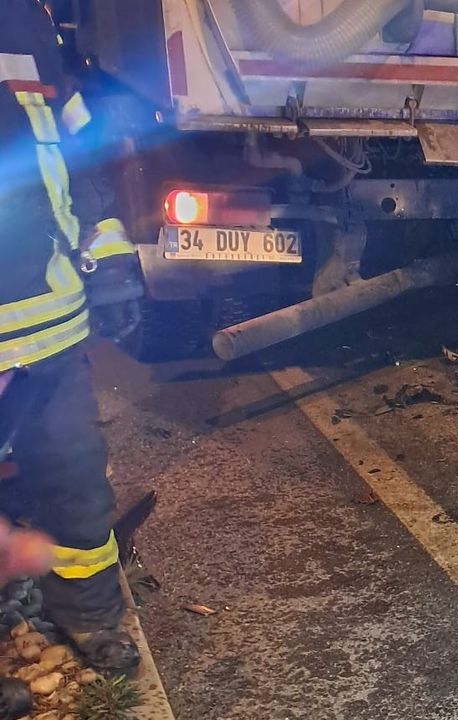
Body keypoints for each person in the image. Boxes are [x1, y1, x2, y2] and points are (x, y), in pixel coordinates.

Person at [0, 0, 144, 675]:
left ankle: (89, 617)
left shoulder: (26, 21)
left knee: (77, 485)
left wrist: (108, 257)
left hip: (51, 331)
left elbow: (77, 147)